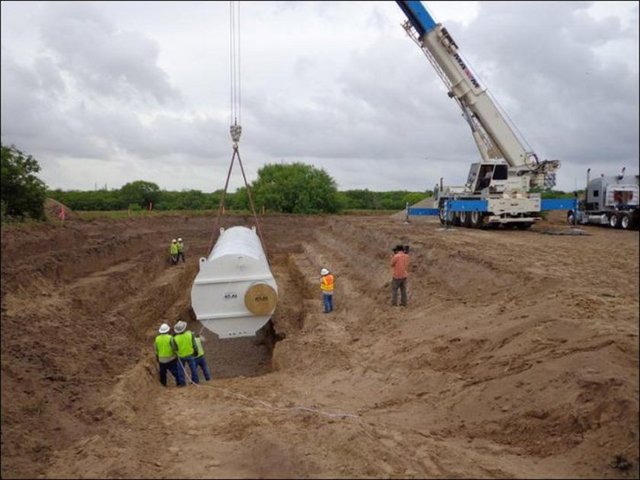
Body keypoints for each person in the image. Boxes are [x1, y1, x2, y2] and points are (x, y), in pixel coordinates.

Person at [154, 323, 186, 387]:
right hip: (171, 358)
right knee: (175, 372)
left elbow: (156, 349)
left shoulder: (157, 338)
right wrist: (176, 353)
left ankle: (163, 384)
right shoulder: (170, 338)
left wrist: (157, 357)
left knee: (163, 373)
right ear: (167, 330)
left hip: (161, 359)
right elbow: (174, 347)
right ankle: (179, 383)